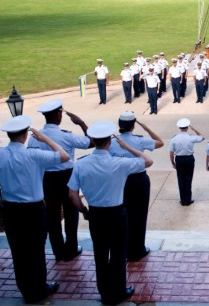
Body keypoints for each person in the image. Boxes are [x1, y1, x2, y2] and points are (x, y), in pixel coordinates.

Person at [0, 115, 69, 303]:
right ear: (25, 135)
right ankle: (39, 288)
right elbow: (64, 156)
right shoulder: (33, 154)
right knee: (36, 251)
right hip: (33, 210)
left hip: (11, 210)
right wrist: (45, 138)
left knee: (19, 252)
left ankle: (25, 289)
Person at [68, 121, 153, 305]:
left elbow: (72, 194)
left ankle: (105, 292)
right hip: (116, 215)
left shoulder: (81, 164)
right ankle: (119, 290)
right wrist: (126, 146)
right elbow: (148, 161)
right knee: (118, 253)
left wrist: (83, 210)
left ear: (93, 140)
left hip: (96, 215)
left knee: (100, 254)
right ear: (109, 142)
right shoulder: (119, 163)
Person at [27, 99, 94, 263]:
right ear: (58, 115)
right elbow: (92, 142)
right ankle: (70, 249)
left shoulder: (35, 138)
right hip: (67, 177)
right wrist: (82, 123)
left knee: (52, 216)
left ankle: (58, 250)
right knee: (71, 215)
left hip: (47, 179)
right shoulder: (66, 135)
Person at [109, 112, 164, 262]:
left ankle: (125, 248)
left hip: (120, 180)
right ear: (133, 125)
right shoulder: (139, 140)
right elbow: (160, 142)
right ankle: (137, 249)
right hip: (138, 181)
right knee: (139, 216)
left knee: (124, 215)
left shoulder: (112, 141)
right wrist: (146, 128)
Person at [169, 118, 204, 206]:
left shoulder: (174, 138)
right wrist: (195, 129)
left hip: (179, 159)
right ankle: (188, 199)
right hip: (189, 159)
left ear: (179, 128)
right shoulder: (191, 137)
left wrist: (172, 162)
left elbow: (171, 152)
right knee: (188, 179)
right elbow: (202, 137)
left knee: (180, 179)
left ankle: (182, 199)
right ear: (187, 127)